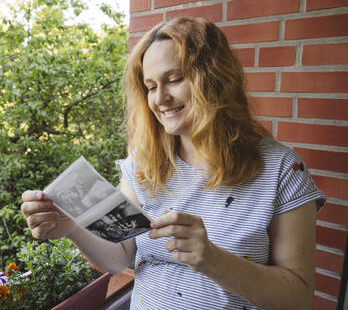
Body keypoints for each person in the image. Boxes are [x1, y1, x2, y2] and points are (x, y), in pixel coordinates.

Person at [21, 17, 325, 309]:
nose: (160, 98)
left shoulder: (282, 170)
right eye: (151, 86)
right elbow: (119, 257)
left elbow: (296, 299)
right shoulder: (144, 162)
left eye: (174, 79)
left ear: (216, 78)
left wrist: (211, 258)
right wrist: (72, 227)